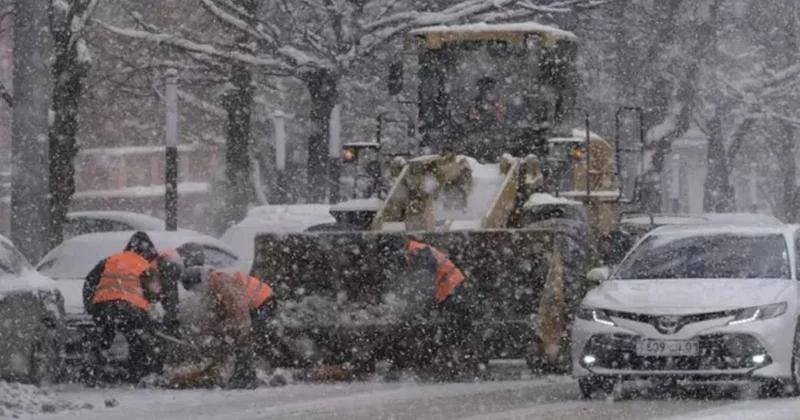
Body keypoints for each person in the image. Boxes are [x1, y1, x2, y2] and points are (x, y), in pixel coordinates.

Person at [82, 231, 165, 383]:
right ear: (148, 251)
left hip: (103, 305)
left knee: (104, 334)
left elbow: (89, 281)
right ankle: (136, 373)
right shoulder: (146, 265)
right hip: (131, 307)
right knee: (137, 336)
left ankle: (93, 369)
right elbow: (155, 293)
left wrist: (90, 306)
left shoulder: (111, 259)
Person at [179, 266, 275, 389]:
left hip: (262, 302)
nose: (196, 292)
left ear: (199, 281)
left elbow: (239, 310)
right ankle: (245, 373)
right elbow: (215, 315)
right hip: (252, 306)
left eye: (195, 288)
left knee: (245, 340)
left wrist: (238, 332)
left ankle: (246, 378)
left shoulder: (222, 282)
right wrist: (213, 336)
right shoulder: (212, 285)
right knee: (238, 340)